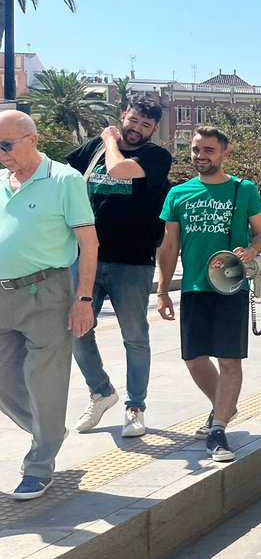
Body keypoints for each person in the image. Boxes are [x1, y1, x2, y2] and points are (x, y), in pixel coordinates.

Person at [156, 125, 261, 463]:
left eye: (208, 150)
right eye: (196, 150)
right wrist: (163, 290)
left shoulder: (242, 189)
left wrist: (251, 250)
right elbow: (169, 245)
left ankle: (218, 427)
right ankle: (226, 406)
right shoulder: (178, 194)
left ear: (224, 154)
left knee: (229, 358)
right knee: (193, 358)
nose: (200, 156)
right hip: (194, 287)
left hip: (231, 285)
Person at [0, 110, 98, 499]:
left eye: (6, 145)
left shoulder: (64, 179)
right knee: (6, 381)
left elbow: (89, 244)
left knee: (46, 382)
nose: (1, 153)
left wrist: (84, 299)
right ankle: (49, 430)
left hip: (46, 292)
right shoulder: (2, 180)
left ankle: (40, 464)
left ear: (31, 141)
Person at [68, 98, 173, 439]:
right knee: (76, 330)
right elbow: (63, 180)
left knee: (134, 337)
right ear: (123, 116)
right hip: (86, 258)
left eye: (146, 125)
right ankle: (101, 391)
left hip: (132, 261)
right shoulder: (92, 150)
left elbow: (119, 170)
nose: (138, 128)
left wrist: (110, 141)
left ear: (154, 130)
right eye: (134, 120)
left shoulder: (156, 157)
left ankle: (135, 406)